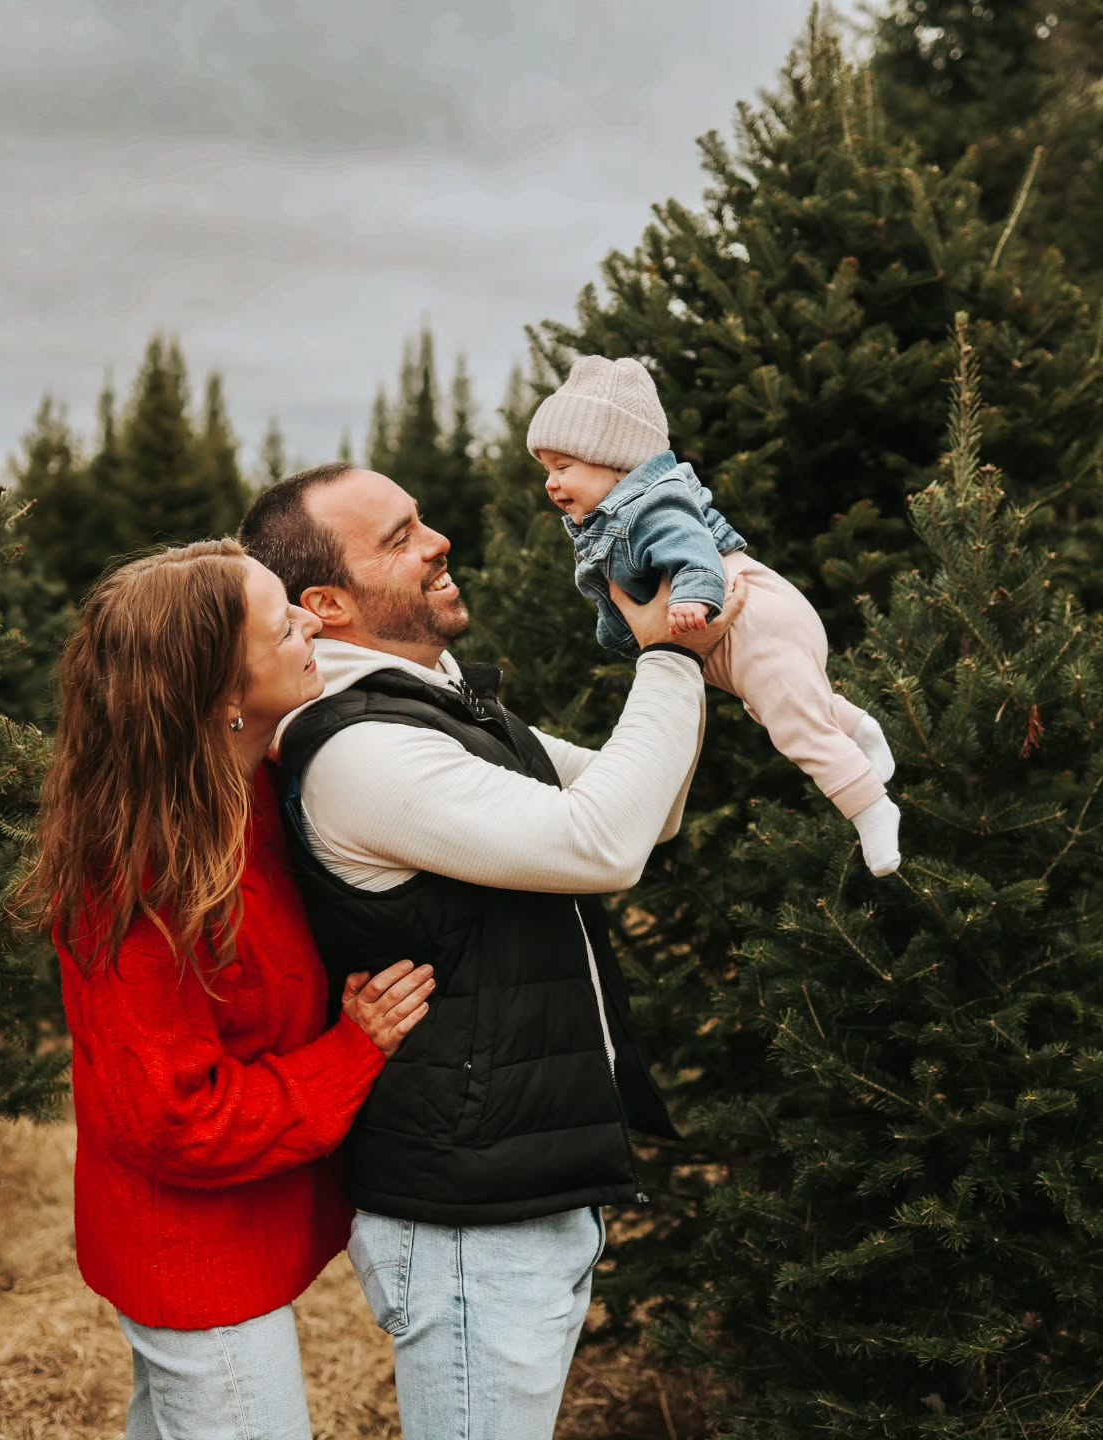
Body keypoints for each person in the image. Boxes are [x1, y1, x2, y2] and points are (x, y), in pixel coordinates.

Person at [239, 468, 743, 1440]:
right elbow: (604, 844)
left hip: (520, 1183)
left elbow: (650, 809)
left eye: (422, 519)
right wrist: (670, 656)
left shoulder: (440, 704)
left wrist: (701, 654)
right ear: (326, 604)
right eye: (398, 537)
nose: (439, 542)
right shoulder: (362, 750)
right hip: (472, 1214)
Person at [14, 539, 436, 1440]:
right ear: (218, 696)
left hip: (239, 1235)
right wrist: (352, 1051)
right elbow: (175, 1115)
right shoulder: (138, 878)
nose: (307, 620)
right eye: (280, 620)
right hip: (192, 1258)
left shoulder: (258, 791)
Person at [527, 354, 901, 876]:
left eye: (563, 468)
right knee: (776, 704)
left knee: (793, 725)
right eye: (546, 471)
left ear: (615, 462)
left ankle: (872, 809)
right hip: (738, 635)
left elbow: (694, 551)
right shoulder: (609, 516)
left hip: (753, 618)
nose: (550, 484)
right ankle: (859, 729)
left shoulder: (651, 504)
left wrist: (690, 598)